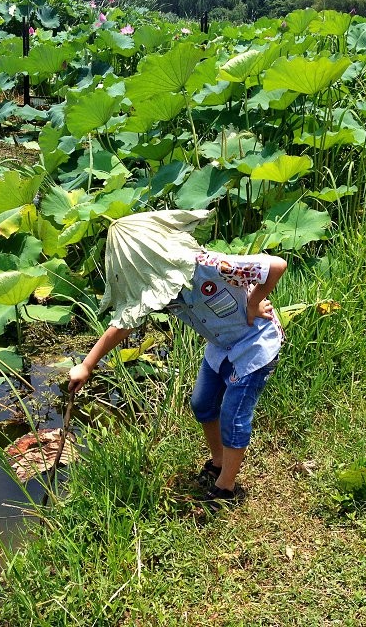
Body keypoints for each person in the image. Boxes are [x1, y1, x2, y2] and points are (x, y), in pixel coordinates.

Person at [68, 209, 287, 508]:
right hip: (220, 347)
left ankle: (227, 486)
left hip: (254, 346)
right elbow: (123, 325)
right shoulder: (157, 290)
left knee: (233, 417)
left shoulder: (209, 265)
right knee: (202, 404)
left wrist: (253, 302)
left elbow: (275, 265)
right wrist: (87, 364)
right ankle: (218, 460)